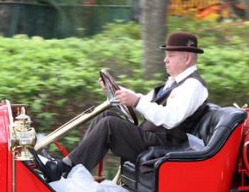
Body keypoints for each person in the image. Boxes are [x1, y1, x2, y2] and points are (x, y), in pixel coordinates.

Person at [43, 31, 209, 182]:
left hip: (165, 146)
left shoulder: (192, 85)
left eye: (170, 55)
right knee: (105, 117)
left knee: (110, 126)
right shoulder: (174, 81)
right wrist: (118, 90)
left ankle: (62, 169)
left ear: (186, 58)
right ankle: (72, 166)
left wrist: (135, 101)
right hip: (152, 137)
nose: (165, 59)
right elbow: (145, 100)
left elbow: (170, 119)